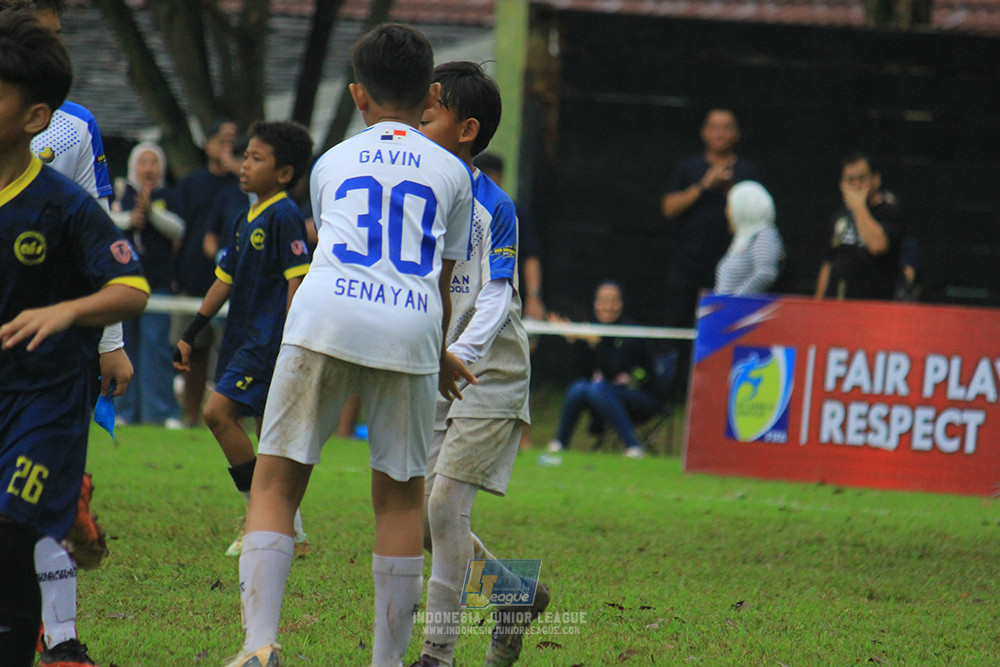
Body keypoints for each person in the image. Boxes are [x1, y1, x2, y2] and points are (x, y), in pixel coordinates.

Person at [226, 24, 475, 667]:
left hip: (324, 315)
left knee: (277, 483)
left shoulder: (331, 161)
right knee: (398, 494)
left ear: (357, 95)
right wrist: (438, 346)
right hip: (412, 324)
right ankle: (387, 662)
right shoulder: (454, 171)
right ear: (430, 96)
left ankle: (259, 647)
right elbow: (440, 282)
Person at [0, 11, 149, 666]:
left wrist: (68, 313)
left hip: (48, 396)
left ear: (35, 119)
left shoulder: (63, 204)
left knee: (11, 528)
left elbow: (132, 286)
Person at [408, 61, 547, 667]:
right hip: (434, 366)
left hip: (489, 366)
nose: (415, 122)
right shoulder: (413, 192)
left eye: (428, 114)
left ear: (465, 129)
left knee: (443, 508)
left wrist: (456, 355)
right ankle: (515, 594)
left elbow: (495, 295)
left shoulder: (495, 206)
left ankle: (437, 656)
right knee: (417, 516)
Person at [173, 121, 313, 557]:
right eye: (245, 155)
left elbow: (297, 281)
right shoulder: (243, 214)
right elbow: (224, 280)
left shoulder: (285, 214)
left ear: (285, 173)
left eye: (256, 158)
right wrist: (193, 331)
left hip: (267, 342)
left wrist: (292, 339)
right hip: (239, 337)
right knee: (266, 434)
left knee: (216, 413)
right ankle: (289, 529)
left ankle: (260, 514)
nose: (244, 164)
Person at [661, 110, 760, 395]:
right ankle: (668, 394)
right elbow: (668, 208)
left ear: (737, 133)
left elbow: (759, 216)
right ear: (704, 132)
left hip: (732, 270)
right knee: (675, 332)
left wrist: (731, 189)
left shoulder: (747, 173)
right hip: (686, 267)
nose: (720, 134)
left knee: (722, 333)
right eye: (714, 128)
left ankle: (715, 394)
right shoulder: (689, 168)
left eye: (727, 128)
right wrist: (704, 186)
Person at [473, 151, 544, 451]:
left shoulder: (511, 208)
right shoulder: (464, 203)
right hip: (471, 298)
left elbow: (530, 257)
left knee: (518, 364)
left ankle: (523, 437)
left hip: (506, 297)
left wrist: (535, 297)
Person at [110, 141, 184, 428]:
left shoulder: (169, 195)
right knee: (124, 347)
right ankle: (125, 410)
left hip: (159, 284)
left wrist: (152, 212)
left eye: (154, 163)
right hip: (124, 284)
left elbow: (179, 228)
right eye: (144, 163)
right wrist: (132, 217)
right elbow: (105, 219)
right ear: (133, 166)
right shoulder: (120, 194)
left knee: (155, 347)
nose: (149, 169)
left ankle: (161, 412)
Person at [172, 118, 240, 427]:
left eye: (233, 144)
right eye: (221, 141)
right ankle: (190, 415)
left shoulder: (239, 187)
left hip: (234, 285)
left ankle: (230, 417)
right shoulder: (192, 182)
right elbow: (182, 231)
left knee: (228, 350)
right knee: (193, 350)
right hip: (196, 277)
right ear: (208, 144)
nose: (227, 149)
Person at [546, 281, 658, 459]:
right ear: (595, 304)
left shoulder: (632, 332)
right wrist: (575, 342)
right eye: (602, 301)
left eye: (613, 301)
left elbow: (615, 372)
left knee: (597, 389)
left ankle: (633, 446)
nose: (608, 307)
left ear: (621, 304)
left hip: (637, 396)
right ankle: (560, 443)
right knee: (579, 387)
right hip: (600, 394)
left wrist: (597, 344)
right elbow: (584, 374)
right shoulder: (592, 328)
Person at [814, 153, 904, 300]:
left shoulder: (890, 213)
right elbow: (829, 262)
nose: (856, 185)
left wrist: (859, 207)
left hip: (873, 305)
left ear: (876, 179)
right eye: (850, 180)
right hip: (837, 301)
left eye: (861, 179)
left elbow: (877, 246)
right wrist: (818, 303)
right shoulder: (839, 216)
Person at [714, 180, 784, 295]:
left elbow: (766, 273)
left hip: (740, 311)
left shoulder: (763, 234)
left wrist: (735, 301)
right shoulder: (743, 238)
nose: (727, 212)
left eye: (730, 206)